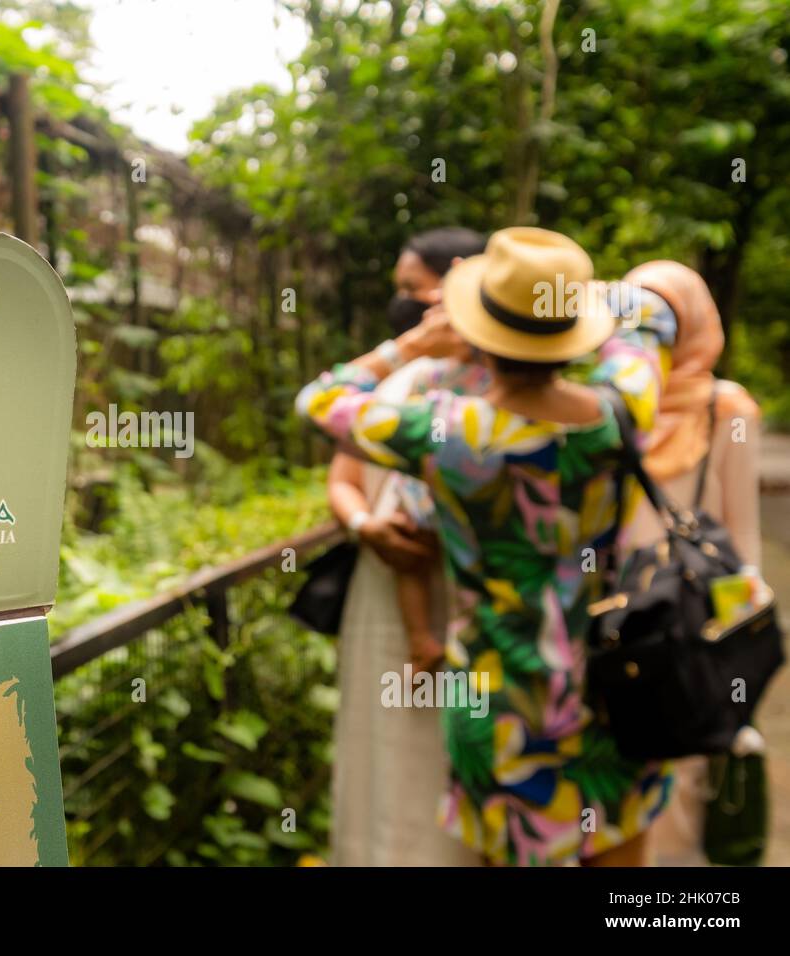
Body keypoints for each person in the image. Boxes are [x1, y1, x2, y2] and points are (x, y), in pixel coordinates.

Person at [298, 227, 678, 866]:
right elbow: (642, 321)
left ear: (480, 335)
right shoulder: (618, 415)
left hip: (497, 702)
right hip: (611, 683)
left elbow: (320, 400)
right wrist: (563, 299)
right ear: (570, 335)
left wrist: (413, 342)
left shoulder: (444, 430)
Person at [328, 227, 487, 866]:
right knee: (384, 748)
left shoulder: (498, 384)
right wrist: (367, 526)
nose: (407, 305)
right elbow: (341, 481)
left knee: (452, 754)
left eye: (413, 289)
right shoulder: (390, 378)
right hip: (384, 591)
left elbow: (318, 398)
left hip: (468, 599)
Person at [617, 261, 764, 866]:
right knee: (627, 789)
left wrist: (733, 659)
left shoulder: (724, 408)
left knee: (683, 788)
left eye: (664, 319)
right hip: (621, 624)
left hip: (689, 621)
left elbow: (742, 540)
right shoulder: (612, 402)